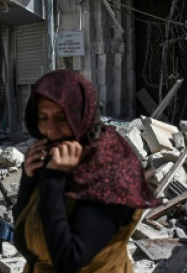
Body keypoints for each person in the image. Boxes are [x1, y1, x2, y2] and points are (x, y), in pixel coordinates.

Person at [12, 70, 159, 273]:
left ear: (80, 115)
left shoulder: (108, 168)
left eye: (62, 118)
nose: (50, 129)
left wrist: (54, 180)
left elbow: (69, 259)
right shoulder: (60, 154)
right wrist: (29, 179)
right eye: (43, 118)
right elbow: (25, 241)